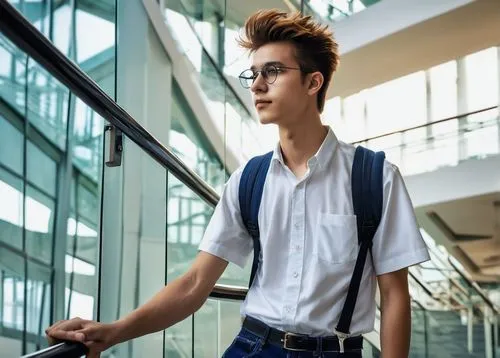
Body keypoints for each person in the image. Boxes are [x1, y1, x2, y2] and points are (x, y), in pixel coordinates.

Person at [45, 9, 430, 358]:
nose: (257, 86)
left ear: (314, 82)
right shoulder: (249, 180)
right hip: (251, 347)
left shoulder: (375, 177)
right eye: (254, 74)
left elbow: (394, 294)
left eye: (273, 71)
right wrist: (113, 332)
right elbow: (196, 282)